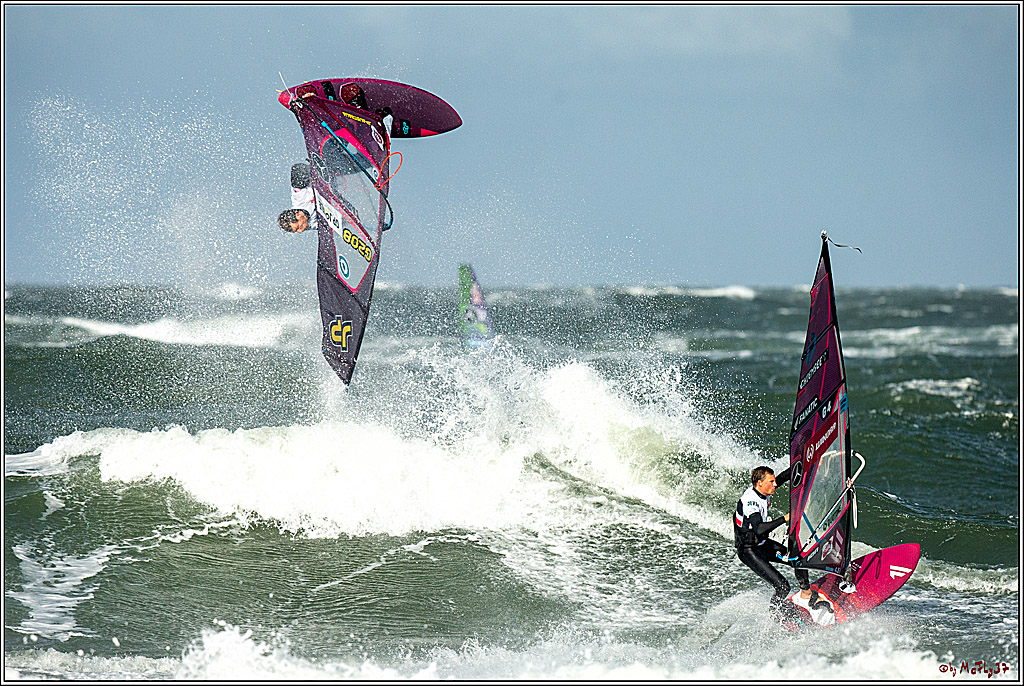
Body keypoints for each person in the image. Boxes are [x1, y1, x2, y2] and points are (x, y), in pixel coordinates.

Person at [734, 465, 835, 624]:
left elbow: (782, 477)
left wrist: (804, 465)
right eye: (771, 482)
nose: (775, 485)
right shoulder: (750, 501)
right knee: (782, 587)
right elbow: (759, 528)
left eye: (774, 481)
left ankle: (806, 594)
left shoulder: (763, 490)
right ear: (760, 483)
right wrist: (786, 518)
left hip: (761, 544)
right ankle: (772, 619)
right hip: (749, 551)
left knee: (797, 556)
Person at [277, 162, 315, 233]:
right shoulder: (311, 225)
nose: (300, 231)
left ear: (298, 215)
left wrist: (310, 172)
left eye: (298, 227)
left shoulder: (298, 198)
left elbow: (296, 169)